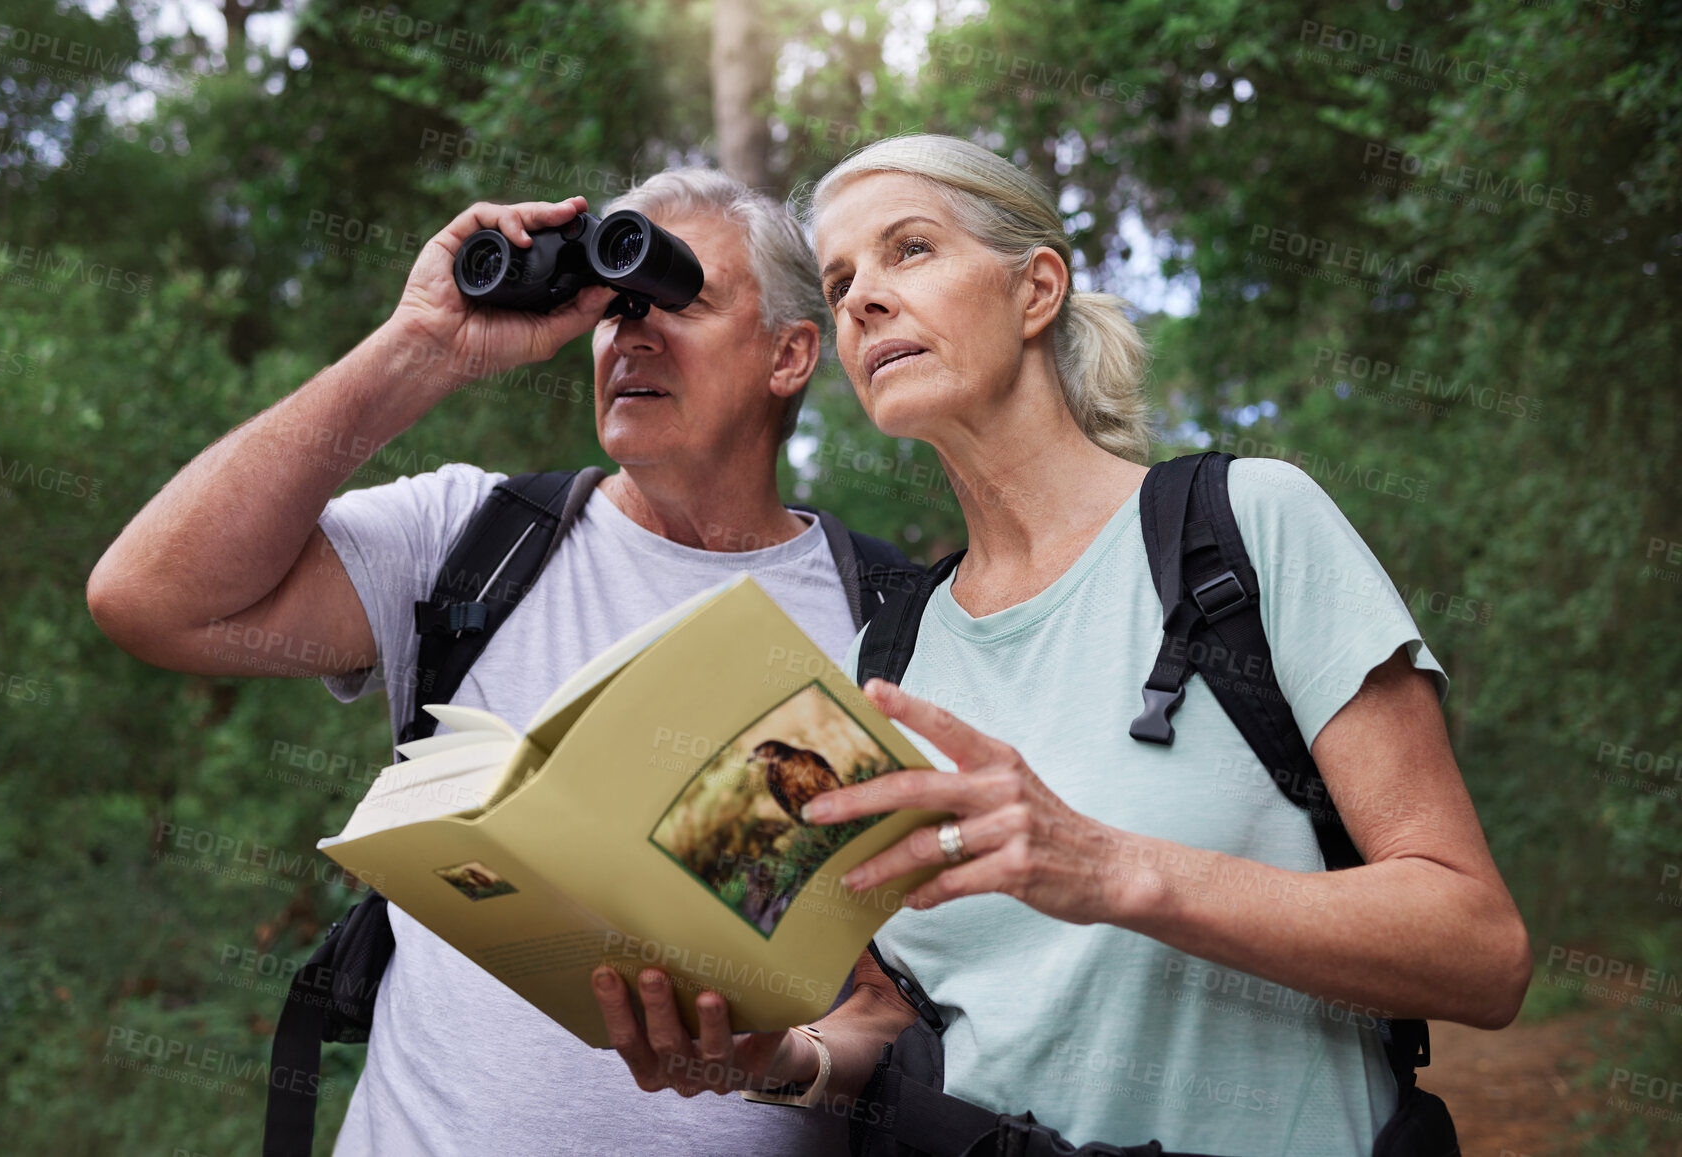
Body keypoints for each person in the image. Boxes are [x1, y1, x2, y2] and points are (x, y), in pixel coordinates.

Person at [592, 134, 1533, 1155]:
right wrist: (781, 1061)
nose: (861, 298)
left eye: (910, 249)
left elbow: (1480, 950)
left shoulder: (1244, 528)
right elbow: (894, 1008)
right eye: (840, 278)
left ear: (1035, 289)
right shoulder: (890, 648)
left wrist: (1112, 867)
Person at [85, 168, 909, 1155]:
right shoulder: (477, 538)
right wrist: (421, 348)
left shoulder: (894, 626)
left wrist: (785, 1059)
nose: (632, 333)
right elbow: (150, 598)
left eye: (677, 299)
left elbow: (898, 1005)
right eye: (613, 306)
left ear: (790, 354)